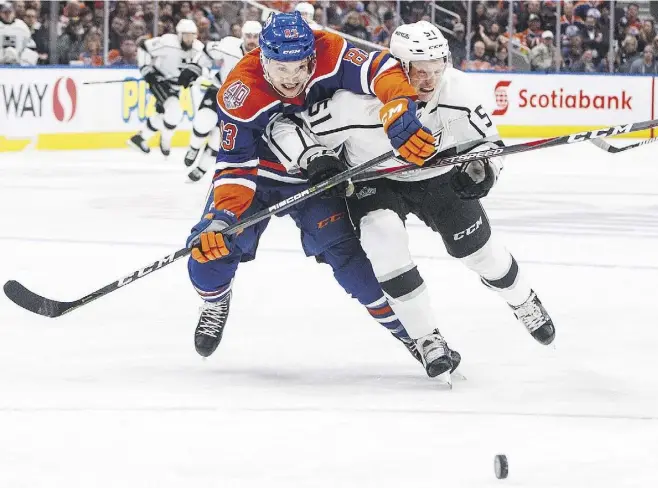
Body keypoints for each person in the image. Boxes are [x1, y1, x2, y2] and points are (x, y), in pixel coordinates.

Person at [267, 21, 556, 376]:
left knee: (482, 253)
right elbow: (283, 126)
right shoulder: (355, 104)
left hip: (438, 176)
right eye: (420, 72)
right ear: (398, 67)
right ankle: (426, 338)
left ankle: (523, 300)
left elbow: (488, 144)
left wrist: (484, 168)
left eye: (437, 69)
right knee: (383, 240)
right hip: (377, 182)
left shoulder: (459, 90)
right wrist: (313, 157)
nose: (430, 81)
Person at [185, 13, 442, 374]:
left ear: (311, 56)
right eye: (280, 69)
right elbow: (234, 166)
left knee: (353, 266)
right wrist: (221, 217)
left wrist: (397, 107)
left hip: (315, 177)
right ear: (263, 59)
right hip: (257, 180)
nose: (291, 80)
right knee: (208, 256)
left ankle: (413, 334)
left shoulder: (330, 51)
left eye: (299, 68)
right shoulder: (240, 90)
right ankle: (215, 302)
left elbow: (380, 67)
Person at [183, 21, 261, 182]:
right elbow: (206, 52)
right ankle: (194, 147)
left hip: (241, 103)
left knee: (222, 137)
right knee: (203, 121)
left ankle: (203, 166)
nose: (252, 40)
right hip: (219, 90)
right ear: (242, 36)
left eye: (255, 36)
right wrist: (194, 68)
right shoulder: (228, 45)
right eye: (248, 36)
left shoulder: (266, 57)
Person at [128, 19, 213, 157]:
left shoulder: (198, 48)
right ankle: (165, 140)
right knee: (174, 111)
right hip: (160, 80)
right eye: (186, 35)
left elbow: (204, 66)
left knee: (164, 114)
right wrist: (146, 69)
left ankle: (140, 138)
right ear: (179, 35)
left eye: (192, 35)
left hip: (177, 86)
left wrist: (198, 75)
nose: (189, 39)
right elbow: (143, 46)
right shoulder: (167, 43)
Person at [0, 1, 37, 65]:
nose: (7, 15)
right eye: (5, 12)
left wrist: (23, 63)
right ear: (0, 13)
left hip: (18, 66)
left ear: (14, 13)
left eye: (10, 12)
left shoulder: (22, 27)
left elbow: (30, 47)